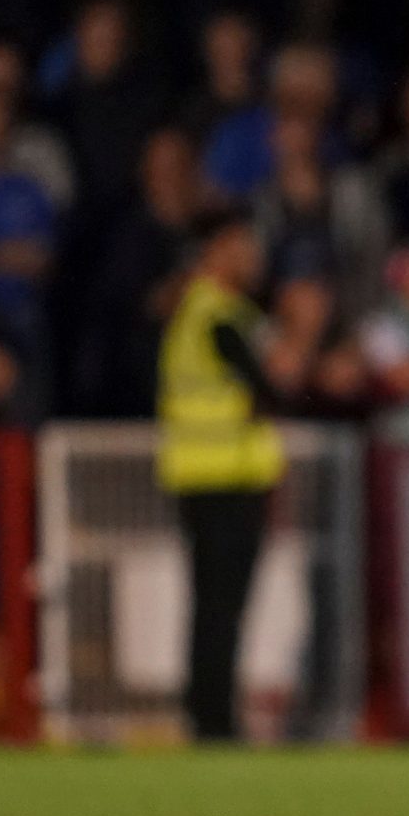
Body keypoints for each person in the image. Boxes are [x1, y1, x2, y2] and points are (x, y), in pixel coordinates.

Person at [156, 208, 286, 742]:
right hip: (225, 477)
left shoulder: (198, 310)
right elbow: (272, 387)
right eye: (244, 245)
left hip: (202, 474)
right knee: (222, 607)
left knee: (210, 605)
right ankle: (214, 720)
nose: (254, 257)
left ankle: (205, 712)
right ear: (219, 249)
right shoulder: (219, 315)